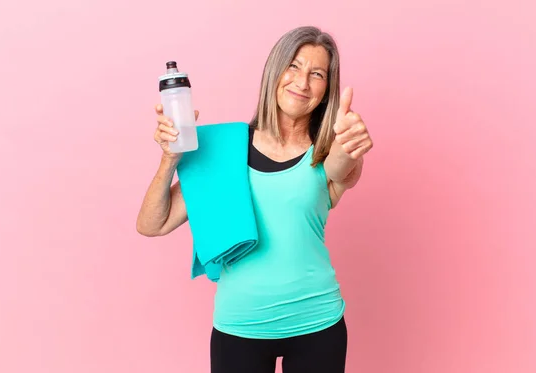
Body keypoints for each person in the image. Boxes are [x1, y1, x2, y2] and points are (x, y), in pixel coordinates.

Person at [136, 25, 373, 373]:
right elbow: (151, 224)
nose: (302, 81)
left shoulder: (327, 152)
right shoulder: (221, 152)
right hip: (239, 328)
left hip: (318, 324)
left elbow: (345, 168)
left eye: (317, 73)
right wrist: (170, 159)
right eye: (293, 66)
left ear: (326, 91)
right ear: (274, 72)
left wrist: (352, 145)